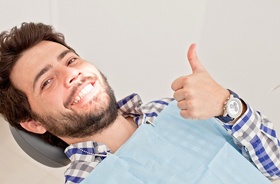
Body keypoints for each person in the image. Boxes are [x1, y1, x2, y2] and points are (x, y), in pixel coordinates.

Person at [0, 22, 279, 183]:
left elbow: (275, 164)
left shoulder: (178, 108)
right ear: (33, 122)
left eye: (71, 60)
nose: (72, 74)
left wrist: (229, 106)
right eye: (46, 82)